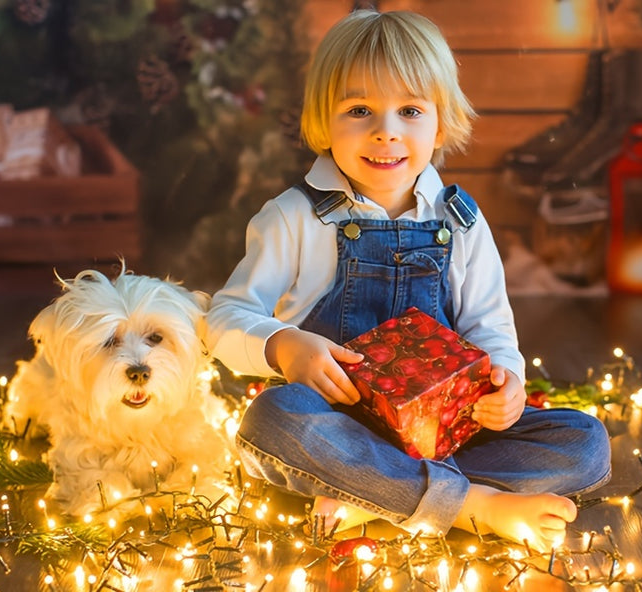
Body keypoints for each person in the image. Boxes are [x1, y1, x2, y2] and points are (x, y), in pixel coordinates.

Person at [207, 9, 611, 549]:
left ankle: (374, 503)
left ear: (439, 123)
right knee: (273, 419)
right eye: (359, 110)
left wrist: (506, 384)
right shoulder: (294, 218)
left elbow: (490, 326)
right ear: (324, 119)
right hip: (339, 429)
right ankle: (476, 507)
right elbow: (225, 317)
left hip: (446, 432)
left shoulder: (459, 220)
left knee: (585, 443)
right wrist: (282, 346)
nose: (385, 132)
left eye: (410, 110)